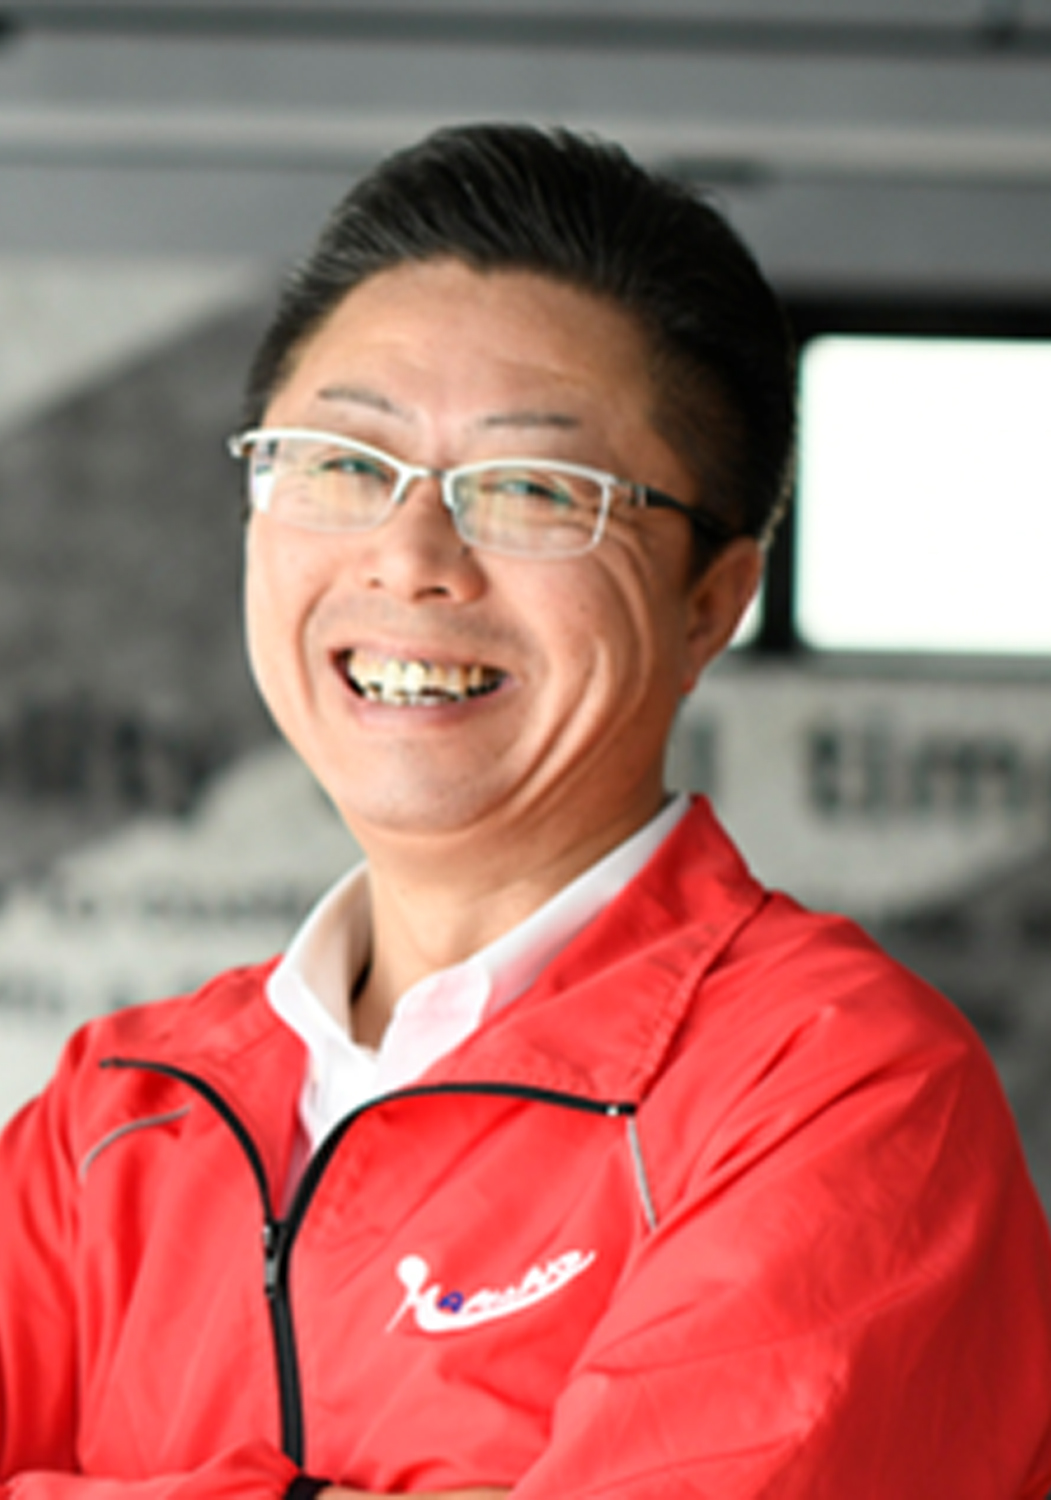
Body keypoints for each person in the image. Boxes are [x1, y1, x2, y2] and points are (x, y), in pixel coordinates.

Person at [2, 123, 1050, 1500]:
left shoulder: (836, 1092)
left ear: (710, 602)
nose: (412, 557)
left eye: (535, 490)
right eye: (342, 462)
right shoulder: (120, 1116)